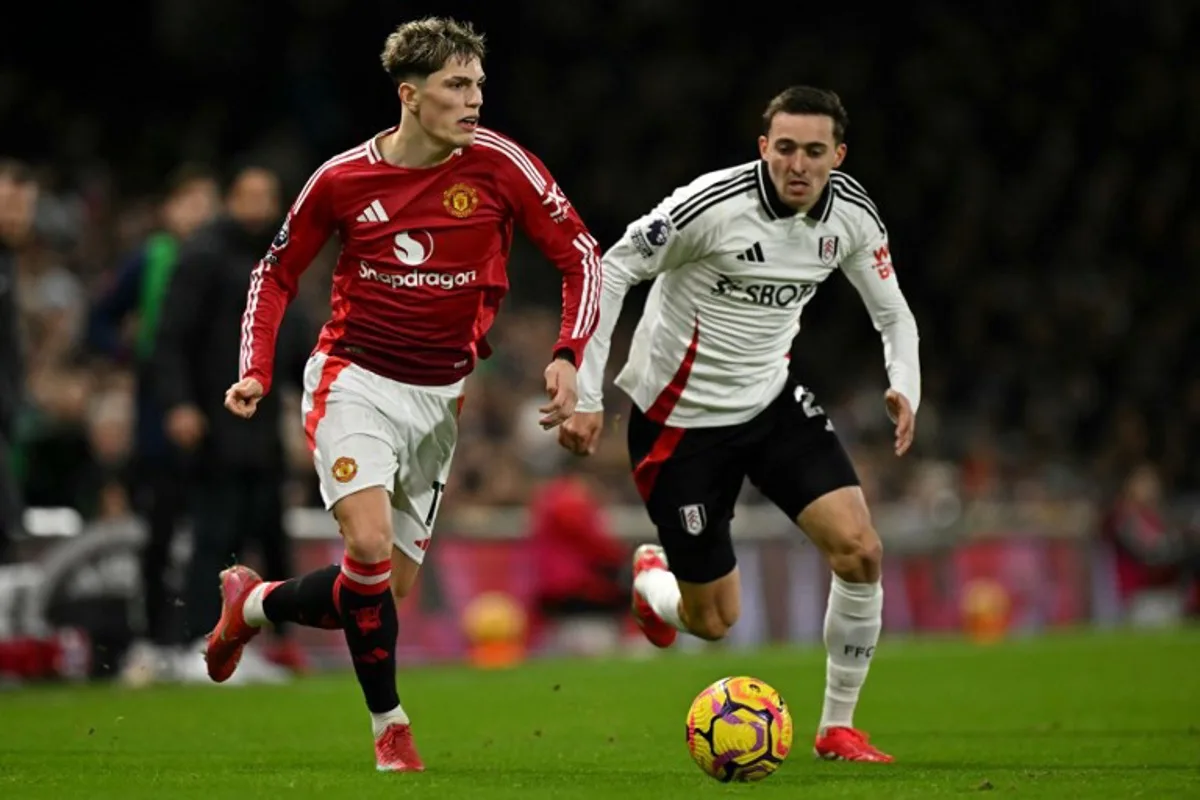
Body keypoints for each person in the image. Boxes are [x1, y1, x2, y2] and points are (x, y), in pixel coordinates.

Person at [203, 17, 601, 772]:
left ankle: (252, 605)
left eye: (479, 84)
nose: (475, 99)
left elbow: (580, 252)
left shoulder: (501, 165)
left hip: (441, 397)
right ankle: (391, 726)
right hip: (354, 379)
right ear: (410, 96)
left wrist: (568, 355)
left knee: (386, 588)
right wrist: (255, 367)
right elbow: (276, 273)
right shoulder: (344, 179)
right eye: (457, 85)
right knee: (369, 548)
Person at [558, 86, 921, 763]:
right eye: (785, 148)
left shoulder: (852, 216)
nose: (799, 164)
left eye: (815, 151)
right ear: (764, 148)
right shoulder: (709, 207)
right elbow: (611, 270)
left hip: (771, 404)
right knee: (714, 622)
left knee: (861, 550)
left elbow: (892, 313)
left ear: (837, 156)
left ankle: (837, 727)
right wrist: (585, 392)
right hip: (678, 425)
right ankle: (651, 584)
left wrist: (904, 384)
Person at [152, 164, 312, 679]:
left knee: (267, 535)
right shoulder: (202, 256)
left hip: (261, 432)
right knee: (214, 535)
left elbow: (295, 345)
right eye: (249, 195)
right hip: (216, 420)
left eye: (267, 196)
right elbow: (171, 337)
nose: (258, 207)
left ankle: (261, 644)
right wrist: (179, 403)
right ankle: (197, 644)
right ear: (230, 199)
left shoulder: (278, 261)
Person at [87, 164, 220, 683]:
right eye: (192, 202)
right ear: (170, 209)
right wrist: (130, 354)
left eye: (208, 204)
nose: (201, 214)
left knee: (210, 532)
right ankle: (151, 641)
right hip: (156, 415)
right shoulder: (153, 259)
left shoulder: (223, 262)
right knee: (160, 531)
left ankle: (198, 640)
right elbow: (98, 320)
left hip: (215, 411)